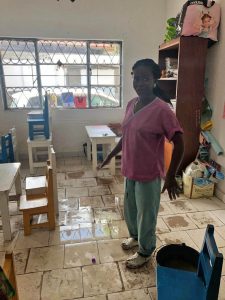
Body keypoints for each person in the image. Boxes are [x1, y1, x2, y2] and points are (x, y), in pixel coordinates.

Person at [98, 58, 184, 269]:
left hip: (149, 174)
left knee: (147, 215)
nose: (140, 83)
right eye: (136, 78)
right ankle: (135, 238)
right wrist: (111, 156)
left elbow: (179, 142)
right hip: (130, 170)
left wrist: (171, 175)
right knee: (131, 210)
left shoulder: (162, 110)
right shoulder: (131, 104)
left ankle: (146, 251)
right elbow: (127, 136)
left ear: (155, 79)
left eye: (145, 78)